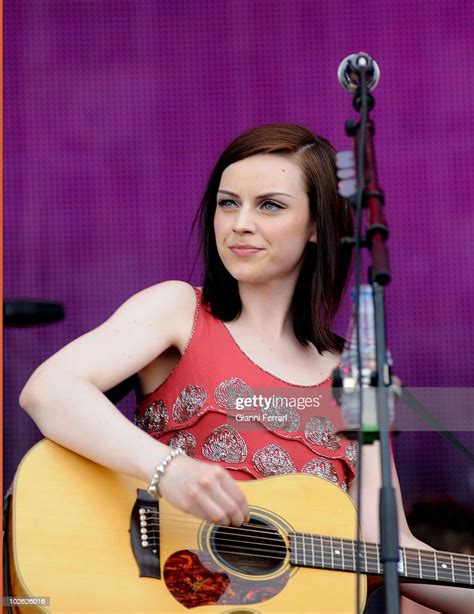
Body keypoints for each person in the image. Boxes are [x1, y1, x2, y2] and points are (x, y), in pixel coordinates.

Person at [20, 124, 472, 612]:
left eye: (270, 205)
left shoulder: (355, 374)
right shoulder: (177, 309)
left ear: (318, 225)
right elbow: (50, 390)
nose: (239, 223)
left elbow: (389, 544)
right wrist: (168, 471)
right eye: (227, 202)